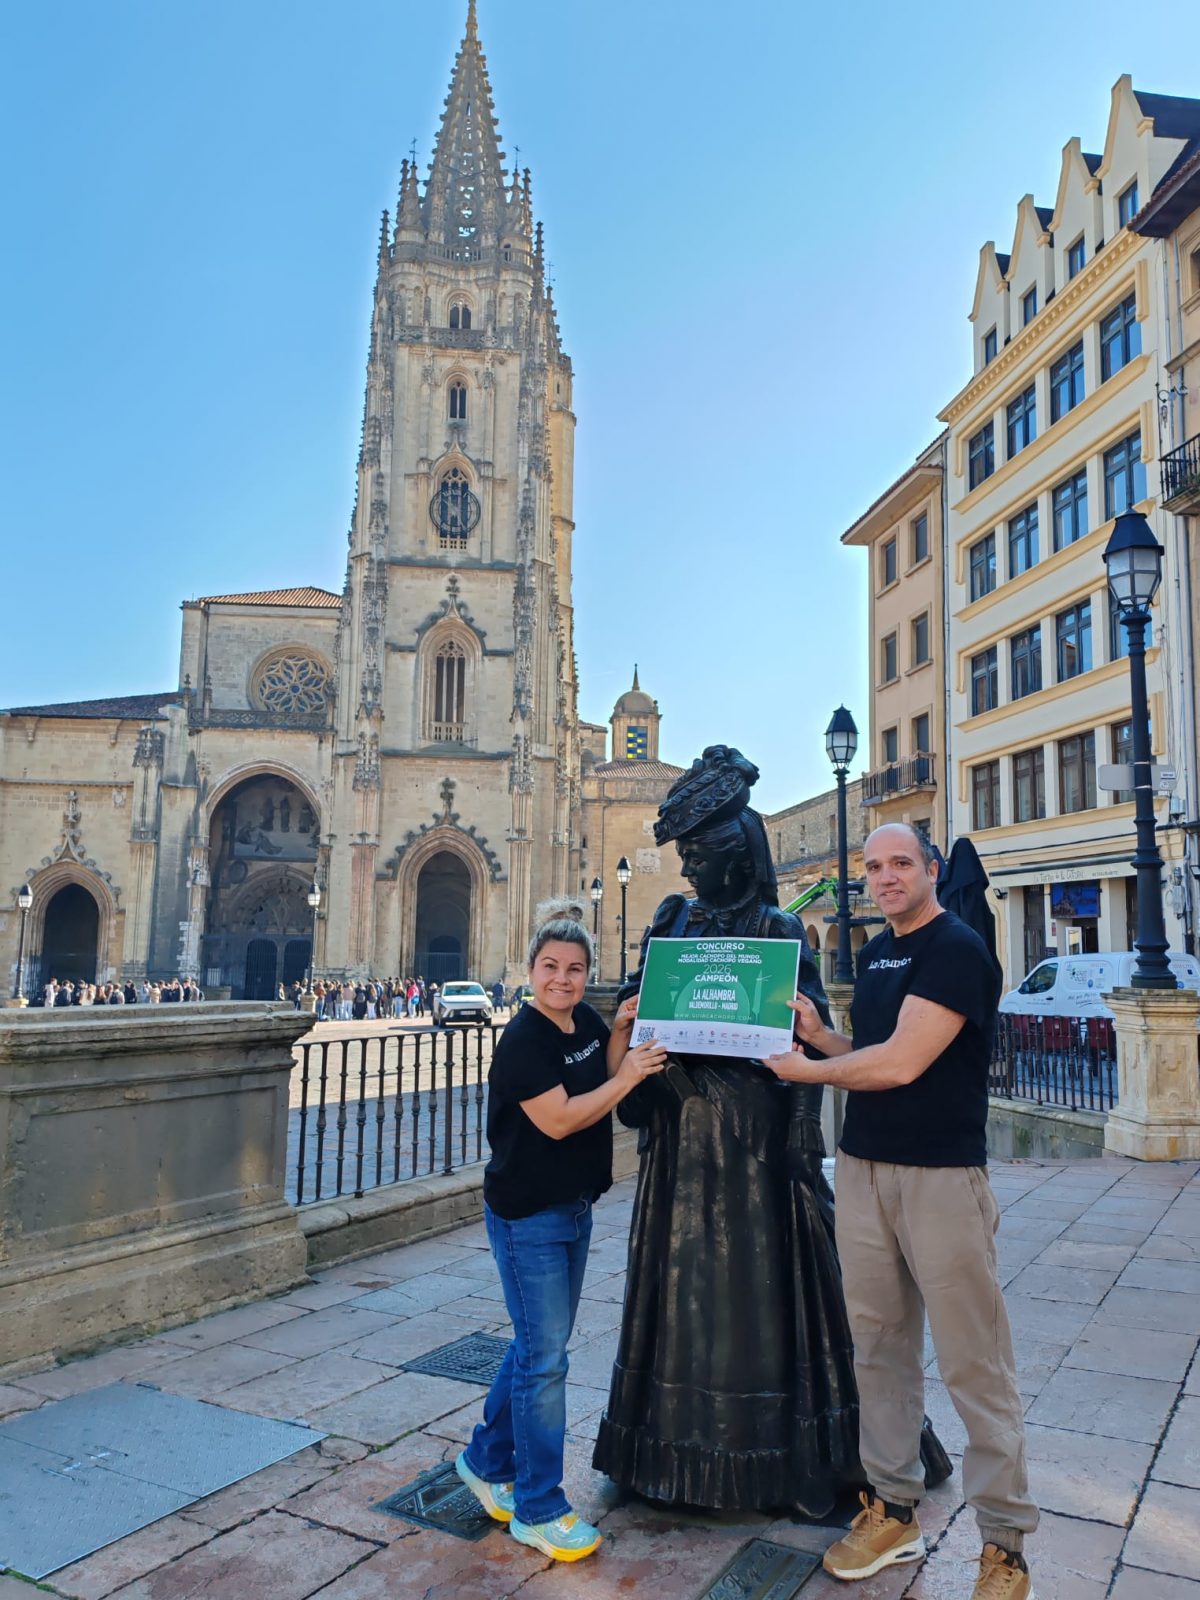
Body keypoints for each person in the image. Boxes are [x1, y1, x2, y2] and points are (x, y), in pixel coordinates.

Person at [592, 748, 949, 1516]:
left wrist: (800, 1136)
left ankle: (774, 1459)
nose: (688, 869)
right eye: (685, 855)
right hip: (681, 1136)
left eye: (701, 855)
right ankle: (664, 1453)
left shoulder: (779, 927)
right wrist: (633, 1016)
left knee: (758, 1302)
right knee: (681, 1295)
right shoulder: (671, 919)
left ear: (739, 854)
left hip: (752, 1143)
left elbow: (807, 1038)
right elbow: (639, 999)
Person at [766, 822, 1037, 1599]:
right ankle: (892, 1508)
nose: (885, 877)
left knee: (974, 1362)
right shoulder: (881, 952)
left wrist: (804, 1069)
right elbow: (873, 1050)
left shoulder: (956, 949)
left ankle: (1004, 1547)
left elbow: (902, 1063)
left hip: (940, 1179)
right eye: (874, 866)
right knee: (878, 1347)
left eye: (900, 864)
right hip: (864, 1168)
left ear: (931, 869)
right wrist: (822, 1037)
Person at [454, 897, 667, 1563]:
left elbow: (599, 1067)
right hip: (529, 1215)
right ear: (531, 969)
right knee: (546, 1359)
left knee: (536, 1347)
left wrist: (621, 1033)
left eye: (575, 969)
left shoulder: (584, 1022)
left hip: (572, 1206)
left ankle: (486, 1461)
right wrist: (630, 1075)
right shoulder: (523, 1041)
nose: (562, 979)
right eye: (550, 967)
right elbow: (561, 1118)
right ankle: (539, 1506)